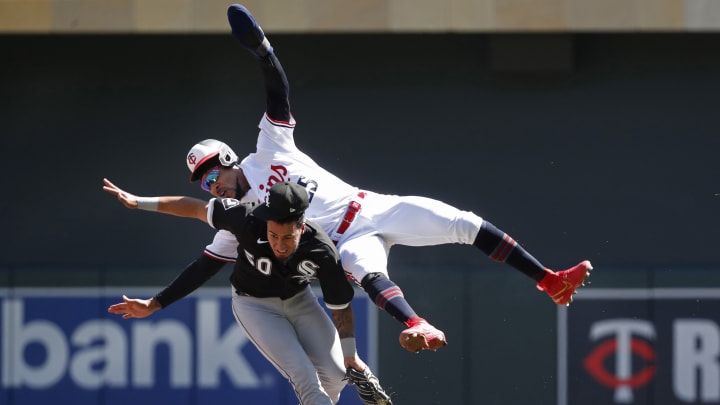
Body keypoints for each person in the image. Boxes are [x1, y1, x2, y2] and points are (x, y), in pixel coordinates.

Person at [113, 4, 592, 353]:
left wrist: (262, 50)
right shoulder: (241, 218)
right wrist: (157, 304)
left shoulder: (268, 151)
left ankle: (548, 279)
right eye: (203, 182)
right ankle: (418, 323)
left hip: (375, 206)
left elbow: (277, 94)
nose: (210, 185)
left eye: (211, 173)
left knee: (462, 222)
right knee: (365, 270)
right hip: (343, 241)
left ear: (228, 159)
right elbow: (202, 264)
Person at [106, 181, 392, 405]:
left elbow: (340, 307)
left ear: (302, 227)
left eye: (288, 237)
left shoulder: (321, 250)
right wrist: (139, 202)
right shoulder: (245, 218)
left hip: (300, 301)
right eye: (273, 234)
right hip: (254, 306)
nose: (279, 244)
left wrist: (351, 355)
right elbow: (193, 208)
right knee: (303, 374)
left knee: (335, 377)